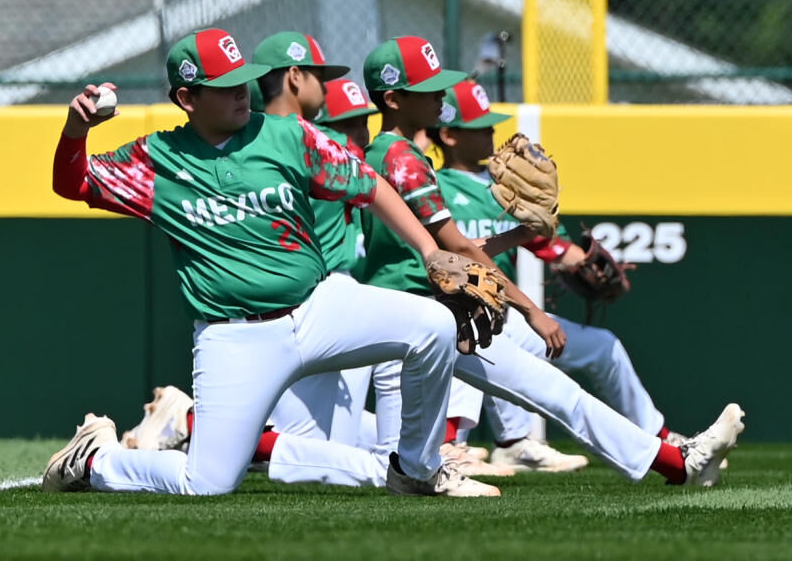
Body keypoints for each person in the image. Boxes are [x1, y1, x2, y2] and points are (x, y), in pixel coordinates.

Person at [42, 28, 498, 498]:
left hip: (319, 306)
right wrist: (77, 129)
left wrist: (429, 251)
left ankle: (418, 470)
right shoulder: (157, 159)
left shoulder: (286, 135)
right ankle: (96, 460)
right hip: (235, 335)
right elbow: (72, 182)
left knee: (432, 325)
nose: (242, 90)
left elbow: (370, 184)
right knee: (206, 483)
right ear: (187, 97)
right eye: (225, 85)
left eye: (245, 78)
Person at [356, 35, 743, 487]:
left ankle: (680, 463)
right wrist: (531, 310)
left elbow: (454, 247)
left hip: (434, 317)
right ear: (393, 99)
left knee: (555, 393)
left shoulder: (392, 156)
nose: (440, 94)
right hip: (415, 319)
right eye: (428, 88)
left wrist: (520, 235)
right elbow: (457, 251)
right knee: (376, 460)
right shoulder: (402, 160)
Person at [427, 80, 704, 472]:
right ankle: (454, 445)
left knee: (602, 347)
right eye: (481, 127)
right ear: (450, 135)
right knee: (463, 328)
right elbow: (454, 251)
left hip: (503, 311)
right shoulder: (433, 186)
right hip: (461, 310)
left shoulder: (501, 187)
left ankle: (656, 437)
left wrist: (576, 258)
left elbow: (544, 242)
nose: (492, 133)